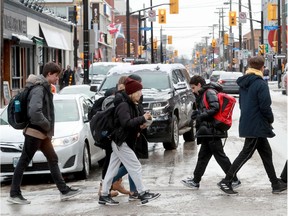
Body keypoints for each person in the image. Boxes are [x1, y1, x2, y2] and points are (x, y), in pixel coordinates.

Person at [7, 62, 81, 205]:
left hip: (41, 133)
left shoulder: (42, 88)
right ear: (49, 74)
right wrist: (46, 124)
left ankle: (64, 190)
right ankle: (14, 193)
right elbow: (34, 112)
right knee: (24, 161)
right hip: (36, 132)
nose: (57, 79)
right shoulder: (39, 89)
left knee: (52, 159)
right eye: (56, 76)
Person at [218, 56, 287, 195]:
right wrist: (270, 118)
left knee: (266, 154)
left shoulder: (245, 83)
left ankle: (275, 183)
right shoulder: (260, 84)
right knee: (245, 154)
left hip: (250, 122)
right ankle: (227, 181)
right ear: (262, 67)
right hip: (257, 125)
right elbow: (265, 106)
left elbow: (243, 104)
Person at [99, 78, 160, 205]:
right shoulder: (123, 105)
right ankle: (142, 193)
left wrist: (143, 123)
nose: (141, 94)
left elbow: (131, 123)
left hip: (121, 141)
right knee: (135, 166)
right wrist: (142, 118)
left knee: (112, 169)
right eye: (139, 91)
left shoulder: (131, 104)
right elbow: (126, 123)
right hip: (121, 142)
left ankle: (104, 194)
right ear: (132, 92)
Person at [181, 75, 240, 189]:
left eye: (193, 88)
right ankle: (195, 180)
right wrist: (197, 112)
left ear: (199, 85)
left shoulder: (209, 92)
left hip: (212, 130)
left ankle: (234, 179)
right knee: (203, 157)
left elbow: (215, 108)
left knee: (220, 157)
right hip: (208, 131)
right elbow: (204, 108)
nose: (192, 90)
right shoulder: (202, 93)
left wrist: (200, 116)